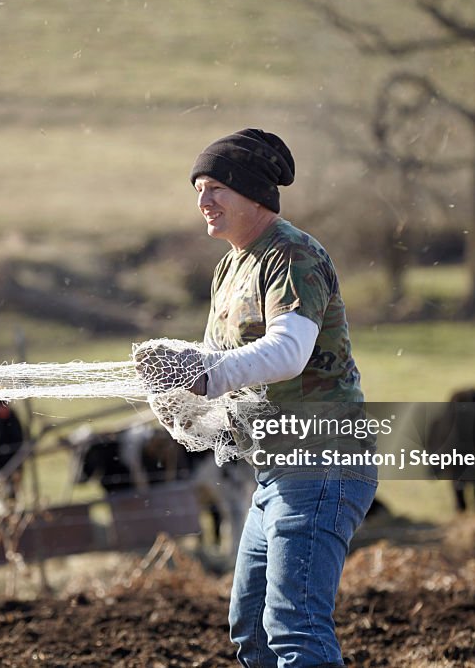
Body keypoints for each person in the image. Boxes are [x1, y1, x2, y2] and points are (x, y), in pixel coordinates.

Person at [136, 128, 377, 667]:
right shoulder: (229, 266)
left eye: (215, 187)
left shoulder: (292, 254)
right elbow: (213, 361)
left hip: (322, 460)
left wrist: (204, 374)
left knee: (294, 628)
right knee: (253, 630)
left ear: (253, 194)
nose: (203, 201)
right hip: (275, 470)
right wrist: (175, 399)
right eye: (198, 188)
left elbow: (287, 352)